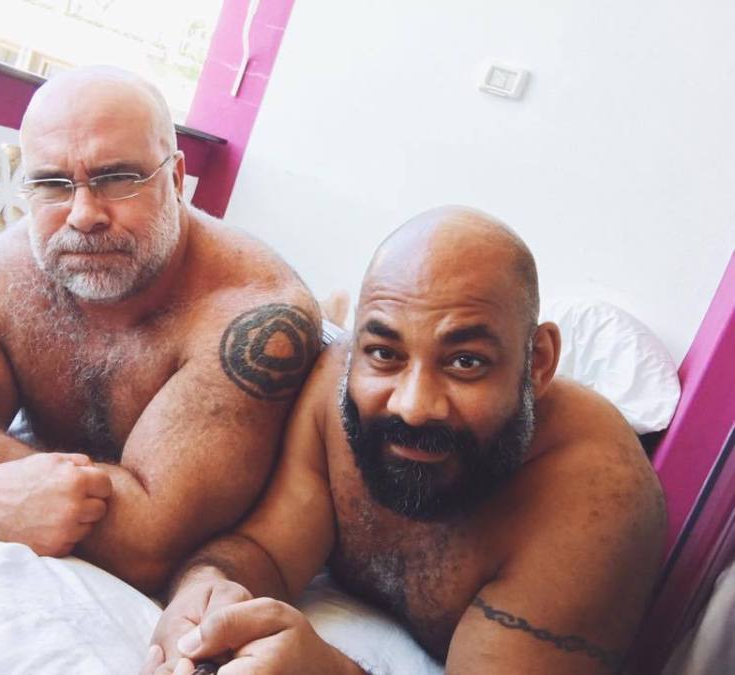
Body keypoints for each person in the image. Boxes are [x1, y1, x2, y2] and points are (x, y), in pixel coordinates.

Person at [0, 67, 320, 595]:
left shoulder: (255, 318)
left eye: (117, 178)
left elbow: (148, 547)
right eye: (52, 184)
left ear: (175, 179)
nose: (83, 215)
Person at [144, 206, 666, 674]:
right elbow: (267, 550)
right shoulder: (337, 385)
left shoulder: (596, 497)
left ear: (538, 362)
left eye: (465, 362)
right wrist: (206, 591)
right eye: (385, 353)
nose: (413, 406)